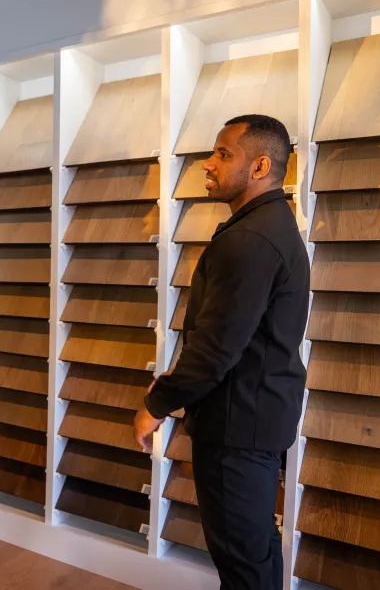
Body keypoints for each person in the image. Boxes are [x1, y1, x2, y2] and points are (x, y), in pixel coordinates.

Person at [134, 114, 309, 590]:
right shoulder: (270, 226)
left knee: (243, 564)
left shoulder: (252, 239)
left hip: (238, 430)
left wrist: (156, 404)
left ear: (259, 166)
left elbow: (215, 348)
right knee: (254, 555)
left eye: (222, 154)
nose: (208, 164)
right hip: (254, 419)